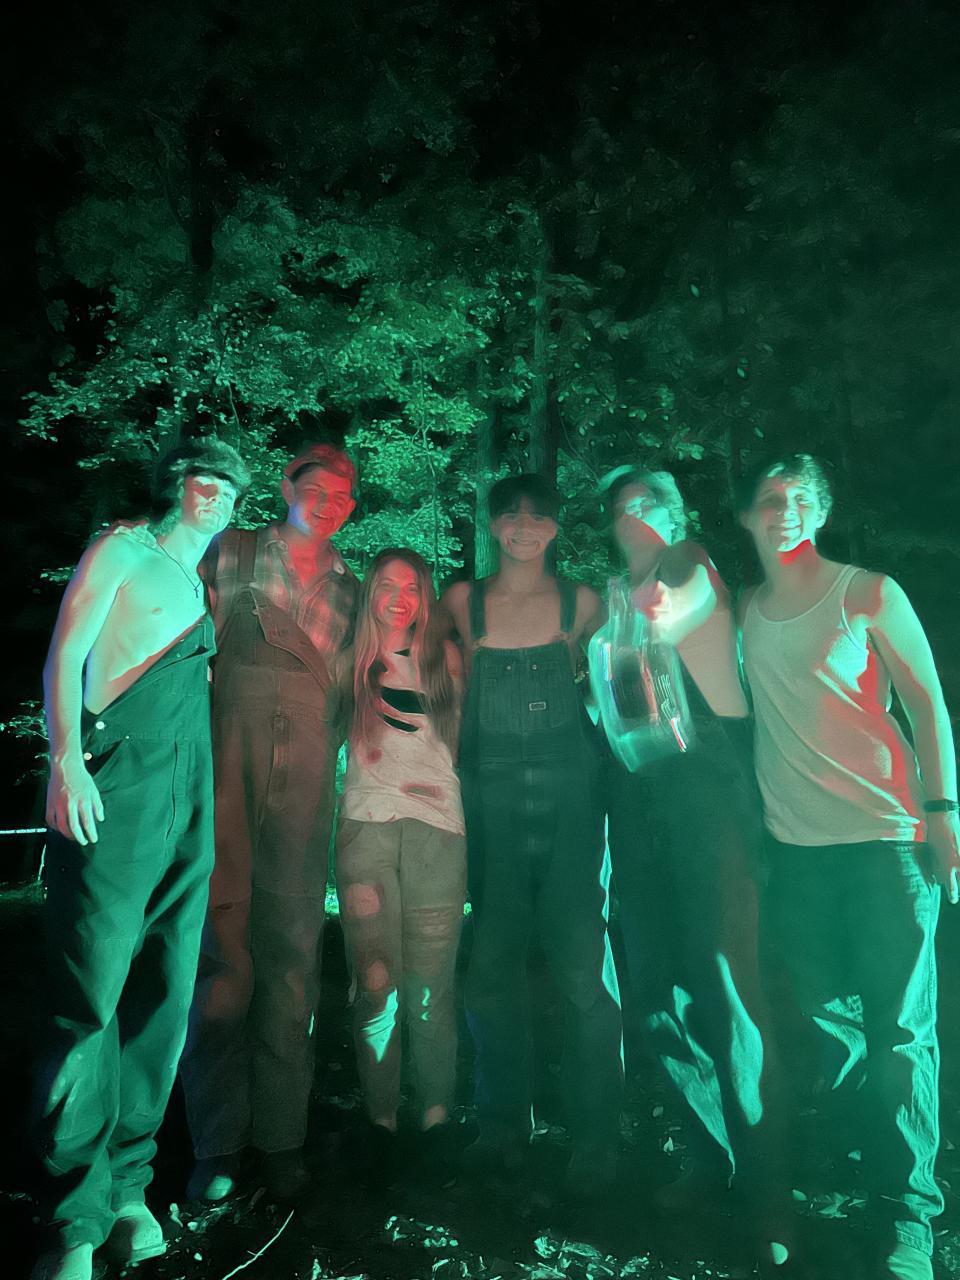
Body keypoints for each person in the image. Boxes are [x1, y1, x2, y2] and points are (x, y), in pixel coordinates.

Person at [737, 453, 960, 1280]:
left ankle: (908, 1218)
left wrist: (944, 815)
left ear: (821, 512)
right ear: (748, 517)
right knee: (825, 1024)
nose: (783, 511)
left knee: (899, 1033)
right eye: (769, 500)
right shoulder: (745, 611)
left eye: (799, 499)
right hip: (796, 854)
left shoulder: (866, 593)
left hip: (886, 842)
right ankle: (862, 1164)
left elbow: (928, 702)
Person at [33, 439, 249, 1280]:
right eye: (205, 479)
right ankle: (72, 1220)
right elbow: (66, 653)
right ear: (172, 486)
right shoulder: (121, 549)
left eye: (230, 486)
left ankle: (129, 1188)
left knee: (164, 990)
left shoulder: (199, 584)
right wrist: (66, 761)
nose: (218, 493)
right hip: (118, 779)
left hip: (187, 795)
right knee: (90, 993)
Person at [597, 465, 790, 1267]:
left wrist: (636, 615)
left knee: (725, 988)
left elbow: (671, 613)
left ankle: (770, 1193)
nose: (636, 515)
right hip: (637, 793)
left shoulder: (688, 563)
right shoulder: (614, 594)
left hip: (708, 787)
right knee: (651, 990)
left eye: (651, 502)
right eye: (623, 507)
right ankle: (708, 1155)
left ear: (677, 515)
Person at [180, 441, 358, 1203]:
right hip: (225, 768)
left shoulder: (354, 591)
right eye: (314, 488)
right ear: (287, 487)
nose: (326, 504)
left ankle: (281, 1137)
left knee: (292, 953)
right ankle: (216, 1145)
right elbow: (181, 652)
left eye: (341, 496)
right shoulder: (231, 553)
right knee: (220, 952)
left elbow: (348, 701)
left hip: (307, 781)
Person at [442, 473, 623, 1195]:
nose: (524, 527)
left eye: (539, 516)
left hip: (573, 802)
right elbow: (427, 680)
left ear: (555, 527)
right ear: (493, 525)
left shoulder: (585, 603)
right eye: (511, 516)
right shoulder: (462, 601)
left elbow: (628, 681)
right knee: (491, 964)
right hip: (489, 800)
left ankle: (597, 1136)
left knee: (583, 968)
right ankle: (500, 1126)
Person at [335, 548, 466, 1185]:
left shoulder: (447, 661)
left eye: (411, 587)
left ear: (424, 596)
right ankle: (380, 1122)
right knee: (375, 984)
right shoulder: (350, 662)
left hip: (439, 832)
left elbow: (461, 744)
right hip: (364, 831)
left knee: (430, 989)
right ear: (370, 593)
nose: (398, 597)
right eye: (386, 585)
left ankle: (436, 1119)